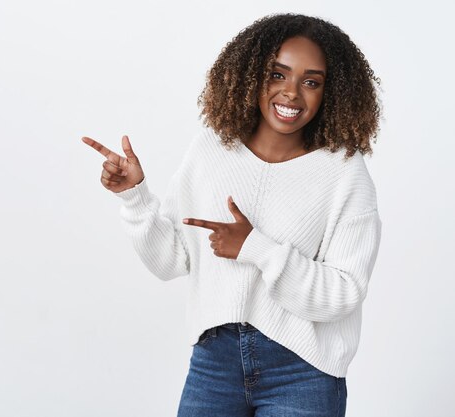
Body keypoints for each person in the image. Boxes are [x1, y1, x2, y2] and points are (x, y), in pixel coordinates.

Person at [82, 13, 382, 417]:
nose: (291, 93)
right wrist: (135, 196)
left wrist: (256, 248)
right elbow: (171, 260)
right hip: (214, 365)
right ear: (250, 76)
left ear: (332, 92)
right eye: (277, 75)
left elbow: (344, 293)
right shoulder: (211, 150)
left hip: (304, 371)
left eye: (311, 81)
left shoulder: (345, 172)